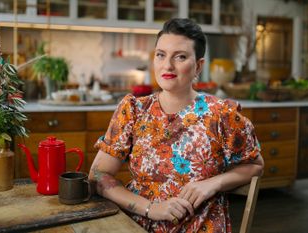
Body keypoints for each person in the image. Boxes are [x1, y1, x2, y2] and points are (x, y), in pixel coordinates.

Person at [89, 18, 264, 233]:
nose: (167, 65)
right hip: (136, 224)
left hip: (199, 226)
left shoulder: (222, 115)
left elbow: (255, 165)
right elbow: (98, 176)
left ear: (198, 65)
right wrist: (151, 208)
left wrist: (214, 183)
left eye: (180, 57)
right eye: (161, 55)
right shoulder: (133, 110)